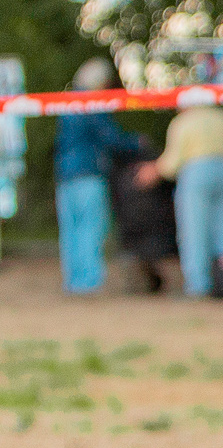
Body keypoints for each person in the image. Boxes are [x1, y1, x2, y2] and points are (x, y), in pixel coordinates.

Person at [53, 57, 153, 295]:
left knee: (70, 231)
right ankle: (88, 283)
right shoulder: (92, 102)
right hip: (89, 174)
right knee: (91, 228)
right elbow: (110, 138)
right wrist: (136, 142)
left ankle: (74, 282)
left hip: (65, 176)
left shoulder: (67, 104)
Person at [158, 99, 223, 297]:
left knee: (195, 230)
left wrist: (155, 170)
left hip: (196, 172)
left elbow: (171, 163)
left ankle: (198, 285)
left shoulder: (183, 122)